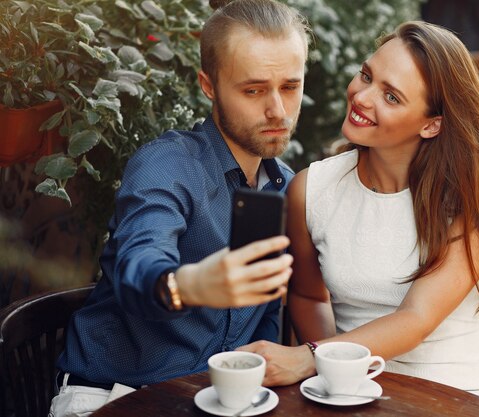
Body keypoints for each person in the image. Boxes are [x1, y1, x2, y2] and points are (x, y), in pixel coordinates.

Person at [240, 20, 479, 414]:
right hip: (355, 390)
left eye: (391, 96)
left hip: (457, 391)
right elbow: (309, 294)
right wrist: (335, 377)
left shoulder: (467, 201)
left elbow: (416, 319)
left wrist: (310, 356)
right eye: (366, 75)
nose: (362, 97)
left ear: (432, 123)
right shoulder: (311, 190)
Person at [48, 0, 309, 415]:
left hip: (216, 400)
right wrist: (186, 286)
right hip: (113, 396)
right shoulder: (167, 165)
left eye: (290, 87)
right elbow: (139, 263)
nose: (277, 110)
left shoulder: (286, 187)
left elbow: (263, 320)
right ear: (209, 86)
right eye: (254, 90)